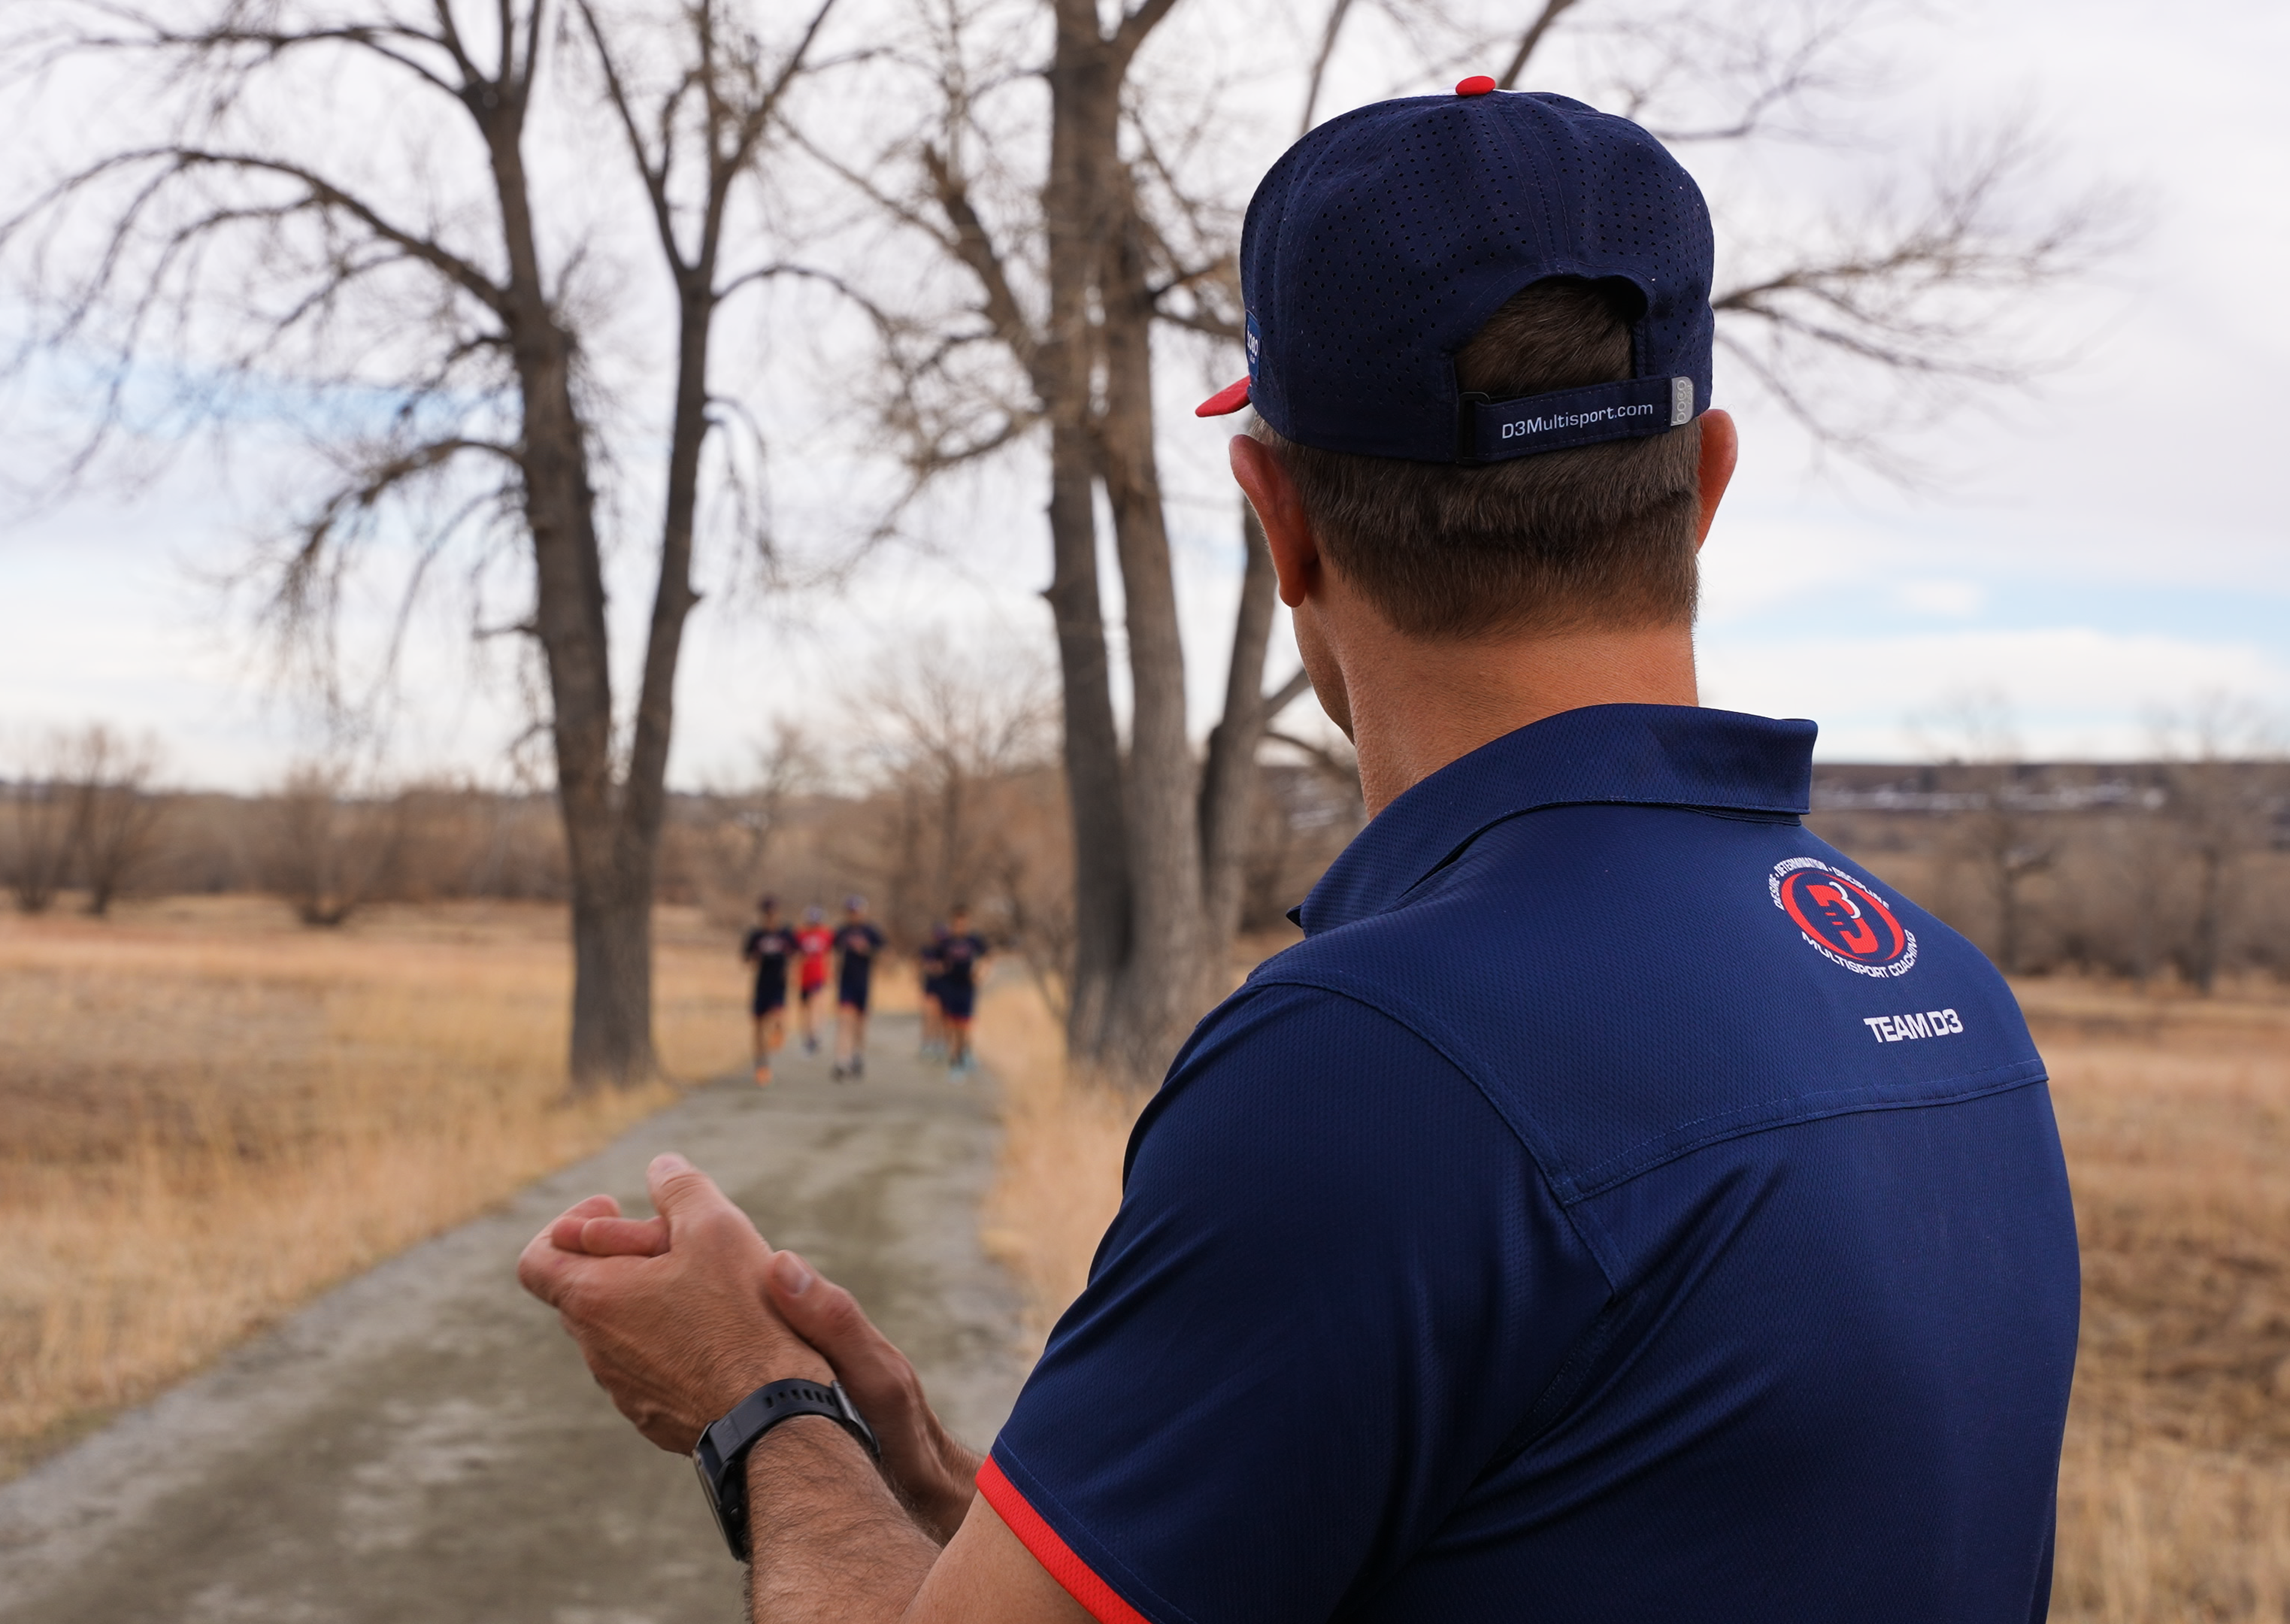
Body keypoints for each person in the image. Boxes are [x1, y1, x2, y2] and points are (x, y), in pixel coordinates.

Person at [522, 79, 2076, 1624]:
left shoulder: (1375, 1061)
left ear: (1281, 520)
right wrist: (960, 1498)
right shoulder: (1955, 1006)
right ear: (1707, 482)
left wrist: (759, 1408)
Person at [738, 896, 798, 1086]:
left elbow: (797, 954)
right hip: (761, 985)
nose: (770, 917)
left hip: (779, 984)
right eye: (767, 914)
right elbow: (746, 959)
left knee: (777, 1016)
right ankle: (761, 1067)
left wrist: (791, 970)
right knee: (758, 1028)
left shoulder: (786, 934)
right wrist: (755, 957)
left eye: (773, 914)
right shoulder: (756, 935)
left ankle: (779, 1032)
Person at [828, 897, 886, 1080]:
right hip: (846, 983)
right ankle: (841, 1060)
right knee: (845, 1021)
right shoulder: (842, 931)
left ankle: (857, 1055)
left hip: (863, 984)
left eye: (856, 911)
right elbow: (833, 953)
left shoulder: (871, 932)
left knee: (860, 1024)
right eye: (850, 911)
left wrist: (867, 950)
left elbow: (884, 954)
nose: (854, 915)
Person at [930, 905, 986, 1077]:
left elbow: (988, 957)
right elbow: (936, 962)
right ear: (953, 923)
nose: (960, 927)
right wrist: (939, 968)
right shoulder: (946, 942)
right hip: (949, 986)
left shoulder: (974, 941)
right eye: (957, 923)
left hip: (967, 987)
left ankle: (961, 1057)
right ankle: (954, 1058)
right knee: (950, 1023)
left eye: (964, 923)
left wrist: (980, 973)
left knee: (963, 1024)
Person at [793, 906, 835, 1055]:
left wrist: (831, 974)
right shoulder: (800, 936)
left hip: (819, 977)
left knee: (816, 1005)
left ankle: (815, 1036)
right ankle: (808, 1037)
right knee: (805, 1009)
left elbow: (831, 954)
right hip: (804, 978)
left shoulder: (826, 935)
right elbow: (795, 955)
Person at [913, 919, 950, 1059]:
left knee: (943, 1017)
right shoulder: (928, 950)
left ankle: (940, 1043)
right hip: (931, 987)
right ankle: (926, 1043)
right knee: (929, 1016)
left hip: (945, 988)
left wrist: (940, 968)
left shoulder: (948, 951)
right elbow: (921, 966)